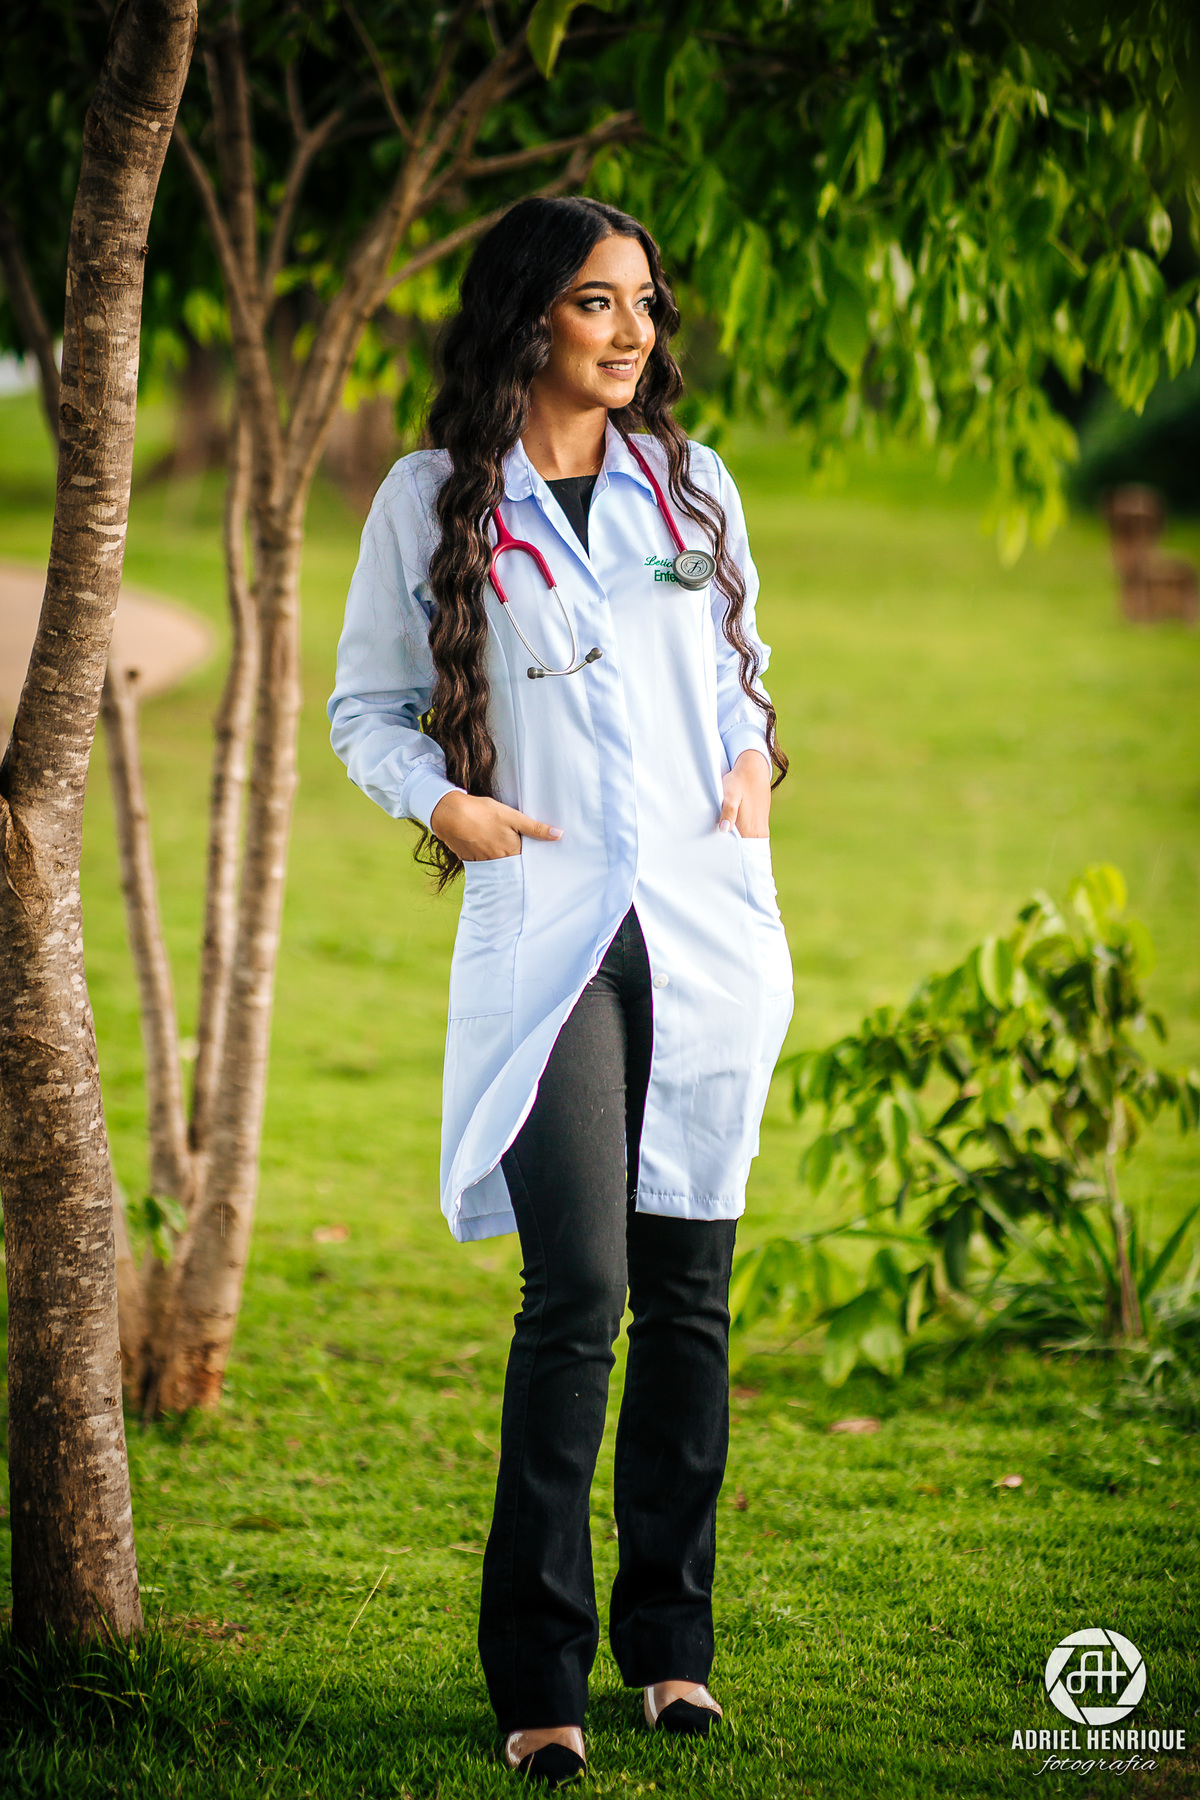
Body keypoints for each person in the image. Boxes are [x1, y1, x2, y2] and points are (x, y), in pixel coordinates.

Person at [329, 195, 793, 1789]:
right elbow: (368, 709)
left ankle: (672, 1651)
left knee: (690, 1295)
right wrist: (441, 803)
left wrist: (752, 758)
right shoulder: (434, 497)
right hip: (555, 925)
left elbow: (738, 676)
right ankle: (540, 1674)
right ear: (531, 313)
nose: (633, 331)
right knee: (580, 1293)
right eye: (601, 301)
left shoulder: (692, 483)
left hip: (702, 915)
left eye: (646, 303)